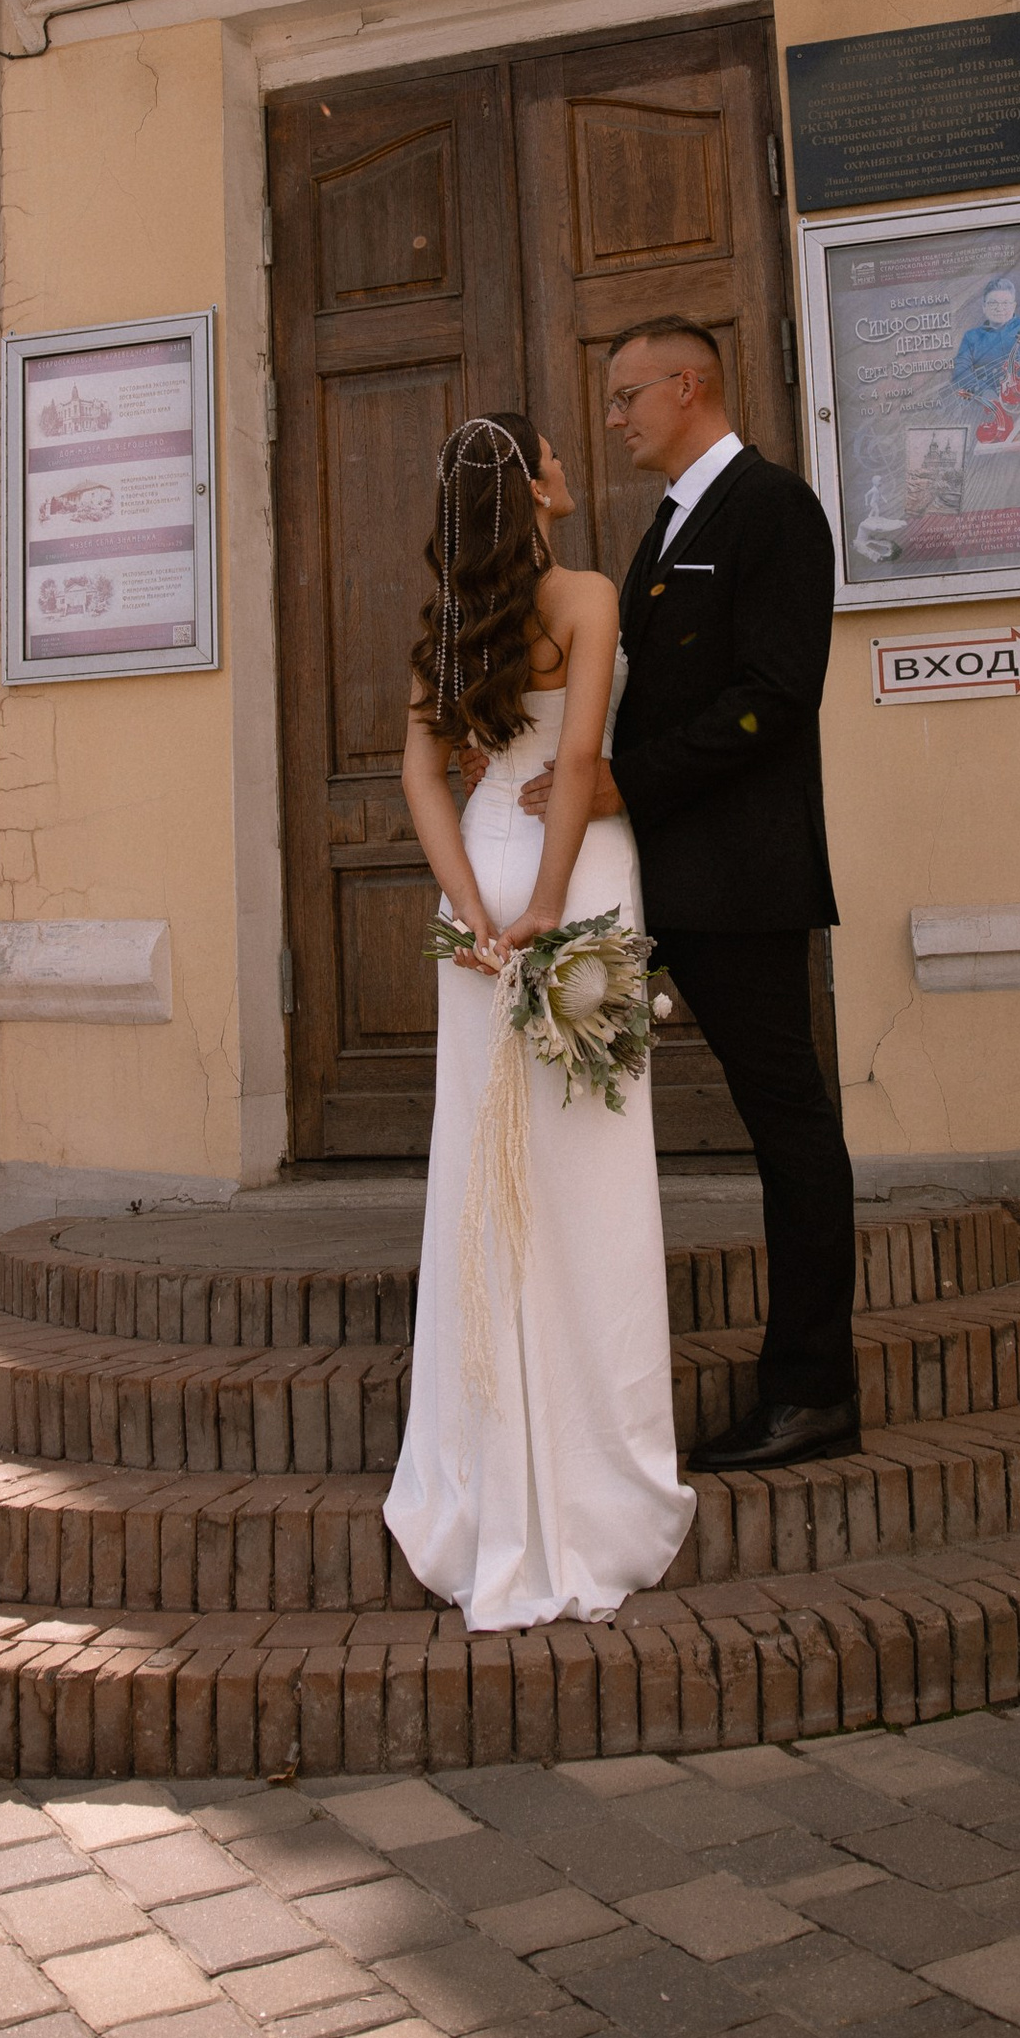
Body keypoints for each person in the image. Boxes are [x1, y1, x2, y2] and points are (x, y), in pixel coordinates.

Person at [384, 413, 695, 1630]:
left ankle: (487, 1472)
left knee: (483, 1170)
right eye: (554, 456)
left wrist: (474, 910)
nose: (571, 466)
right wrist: (554, 908)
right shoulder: (584, 595)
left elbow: (418, 775)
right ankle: (595, 1479)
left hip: (480, 884)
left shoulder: (446, 623)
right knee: (586, 1169)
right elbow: (576, 764)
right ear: (536, 488)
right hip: (575, 877)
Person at [529, 323, 857, 1475]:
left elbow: (777, 695)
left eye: (627, 397)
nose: (613, 417)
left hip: (740, 877)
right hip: (664, 873)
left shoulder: (770, 509)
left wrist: (627, 779)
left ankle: (813, 1388)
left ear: (688, 386)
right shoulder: (669, 524)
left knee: (790, 1124)